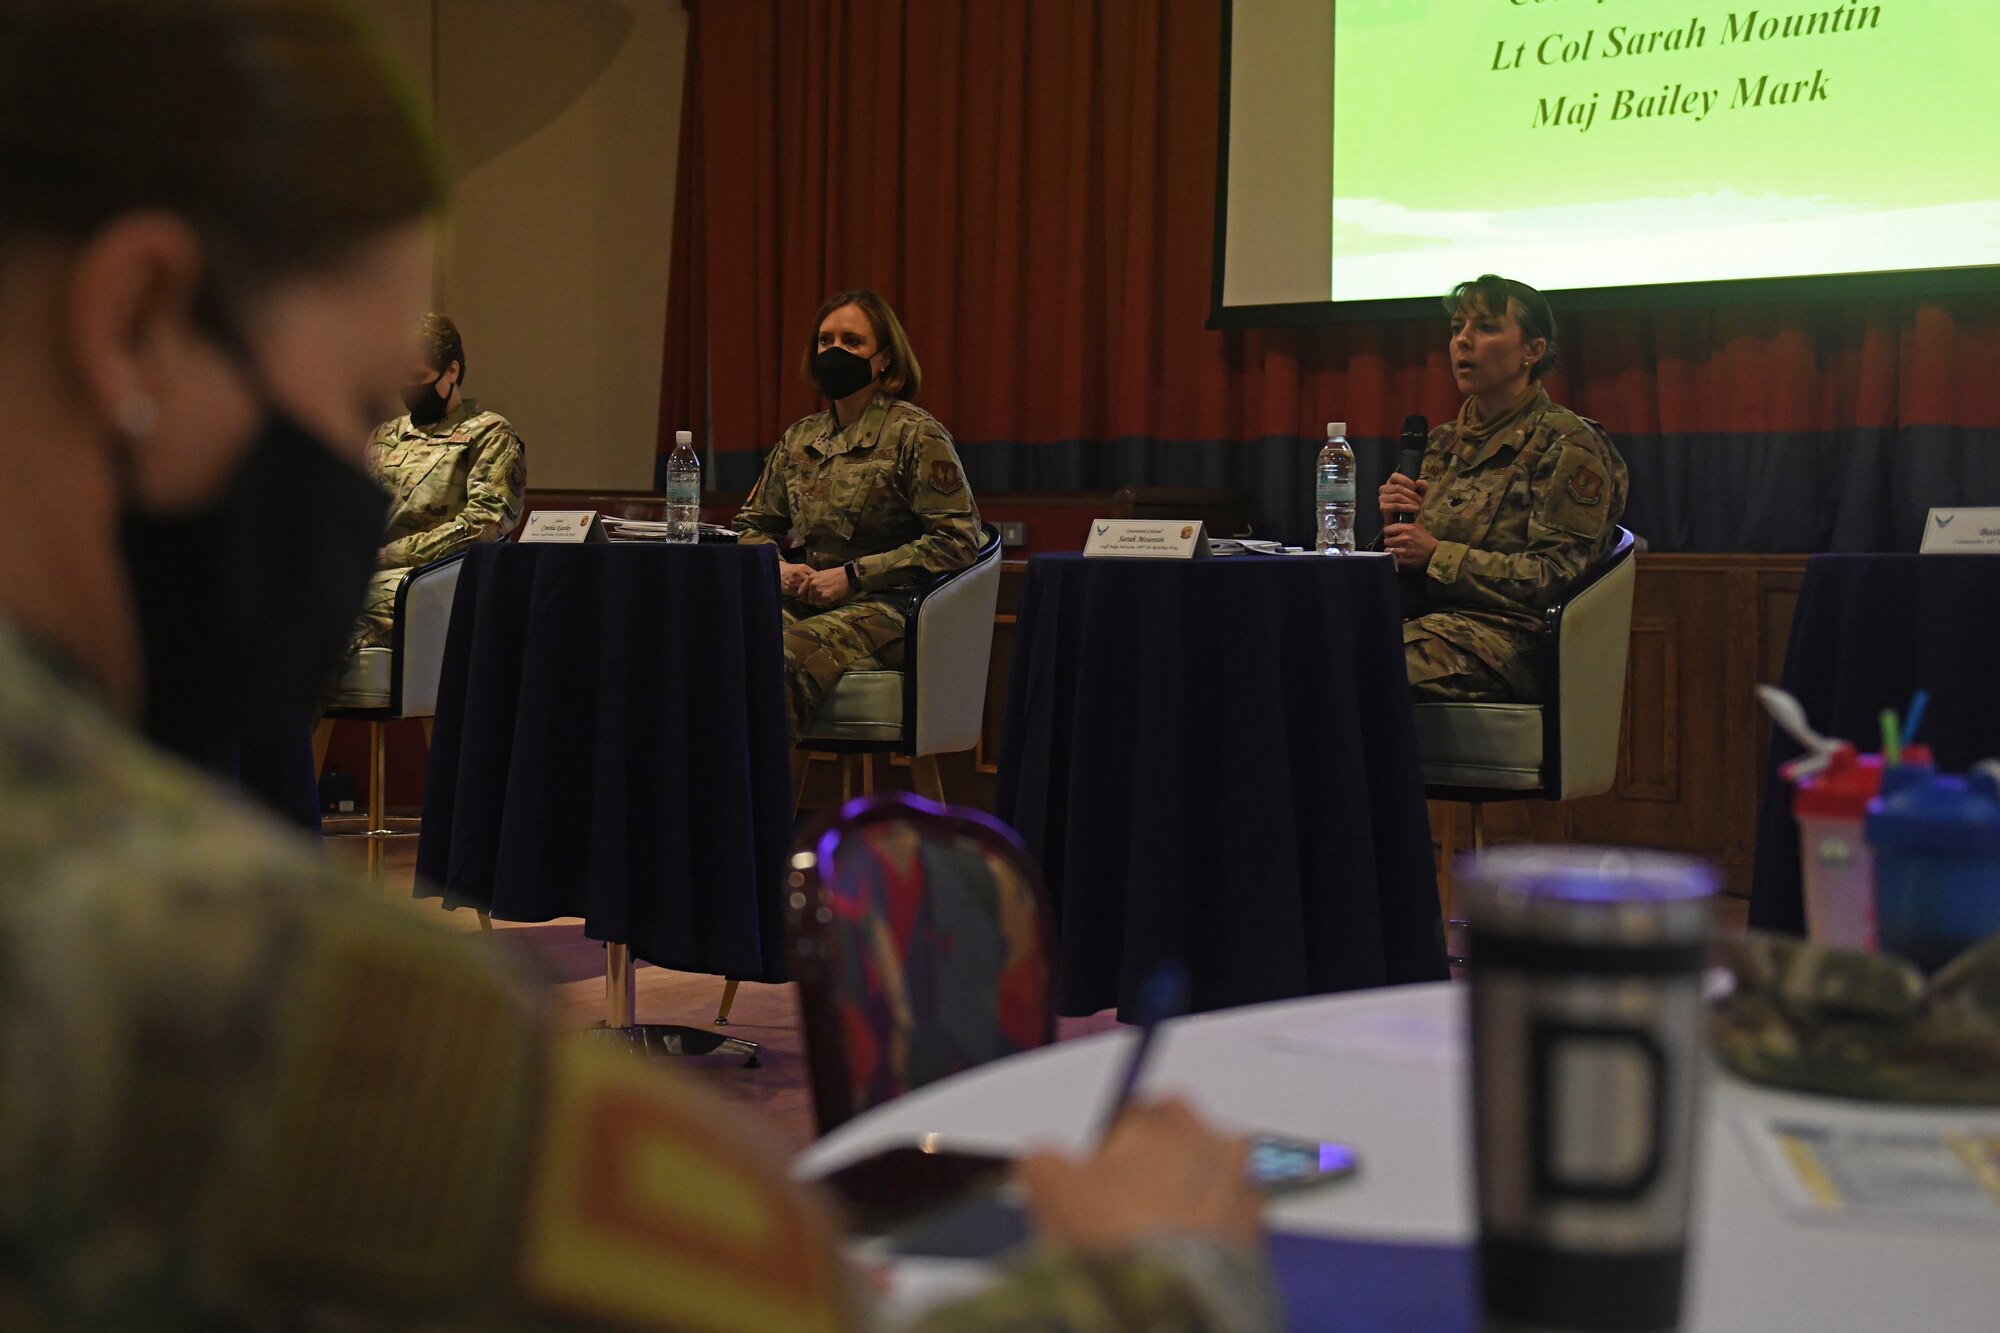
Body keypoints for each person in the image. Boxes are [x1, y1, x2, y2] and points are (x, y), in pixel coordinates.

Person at [0, 3, 1274, 1329]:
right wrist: (1164, 1268)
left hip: (874, 615)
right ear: (134, 329)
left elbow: (953, 548)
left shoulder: (914, 436)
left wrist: (842, 577)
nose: (355, 464)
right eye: (342, 403)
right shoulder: (290, 1009)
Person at [733, 290, 983, 736]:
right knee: (725, 641)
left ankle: (760, 801)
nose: (835, 352)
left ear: (884, 358)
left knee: (781, 654)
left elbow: (957, 540)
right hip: (807, 599)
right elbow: (751, 525)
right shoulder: (799, 438)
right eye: (825, 341)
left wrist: (853, 575)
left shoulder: (915, 434)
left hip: (891, 609)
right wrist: (777, 566)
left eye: (852, 342)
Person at [1377, 274, 1629, 702]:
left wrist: (1437, 555)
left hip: (1507, 641)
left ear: (1532, 351)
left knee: (1360, 666)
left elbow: (1556, 576)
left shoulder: (1567, 444)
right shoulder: (1438, 444)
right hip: (1424, 623)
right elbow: (1409, 567)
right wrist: (1393, 535)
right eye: (1457, 328)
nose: (1463, 341)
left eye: (1486, 327)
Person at [343, 310, 525, 669]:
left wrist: (392, 555)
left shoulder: (488, 434)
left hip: (436, 582)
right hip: (373, 573)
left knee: (341, 612)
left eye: (419, 377)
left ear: (452, 371)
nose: (409, 389)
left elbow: (483, 526)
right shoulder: (385, 436)